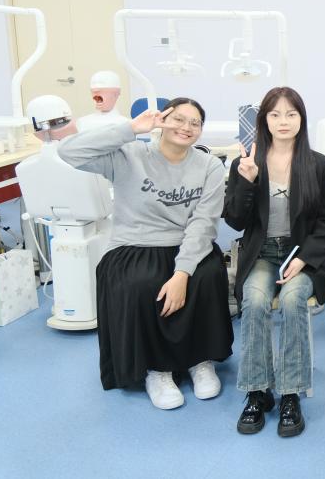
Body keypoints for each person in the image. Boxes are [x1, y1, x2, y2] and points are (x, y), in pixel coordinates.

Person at [57, 98, 232, 409]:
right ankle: (156, 370)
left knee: (207, 274)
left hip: (184, 242)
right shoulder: (130, 155)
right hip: (134, 243)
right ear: (162, 121)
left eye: (195, 123)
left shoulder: (209, 166)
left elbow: (204, 223)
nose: (186, 127)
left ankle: (200, 360)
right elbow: (68, 151)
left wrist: (182, 273)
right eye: (178, 119)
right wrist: (130, 129)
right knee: (141, 281)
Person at [224, 87, 325, 437]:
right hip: (261, 253)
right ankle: (257, 391)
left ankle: (290, 393)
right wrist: (246, 181)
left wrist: (304, 258)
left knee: (292, 301)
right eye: (275, 114)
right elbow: (235, 220)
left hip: (300, 256)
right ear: (264, 120)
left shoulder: (317, 164)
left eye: (291, 113)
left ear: (301, 119)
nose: (283, 121)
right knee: (254, 300)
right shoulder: (247, 162)